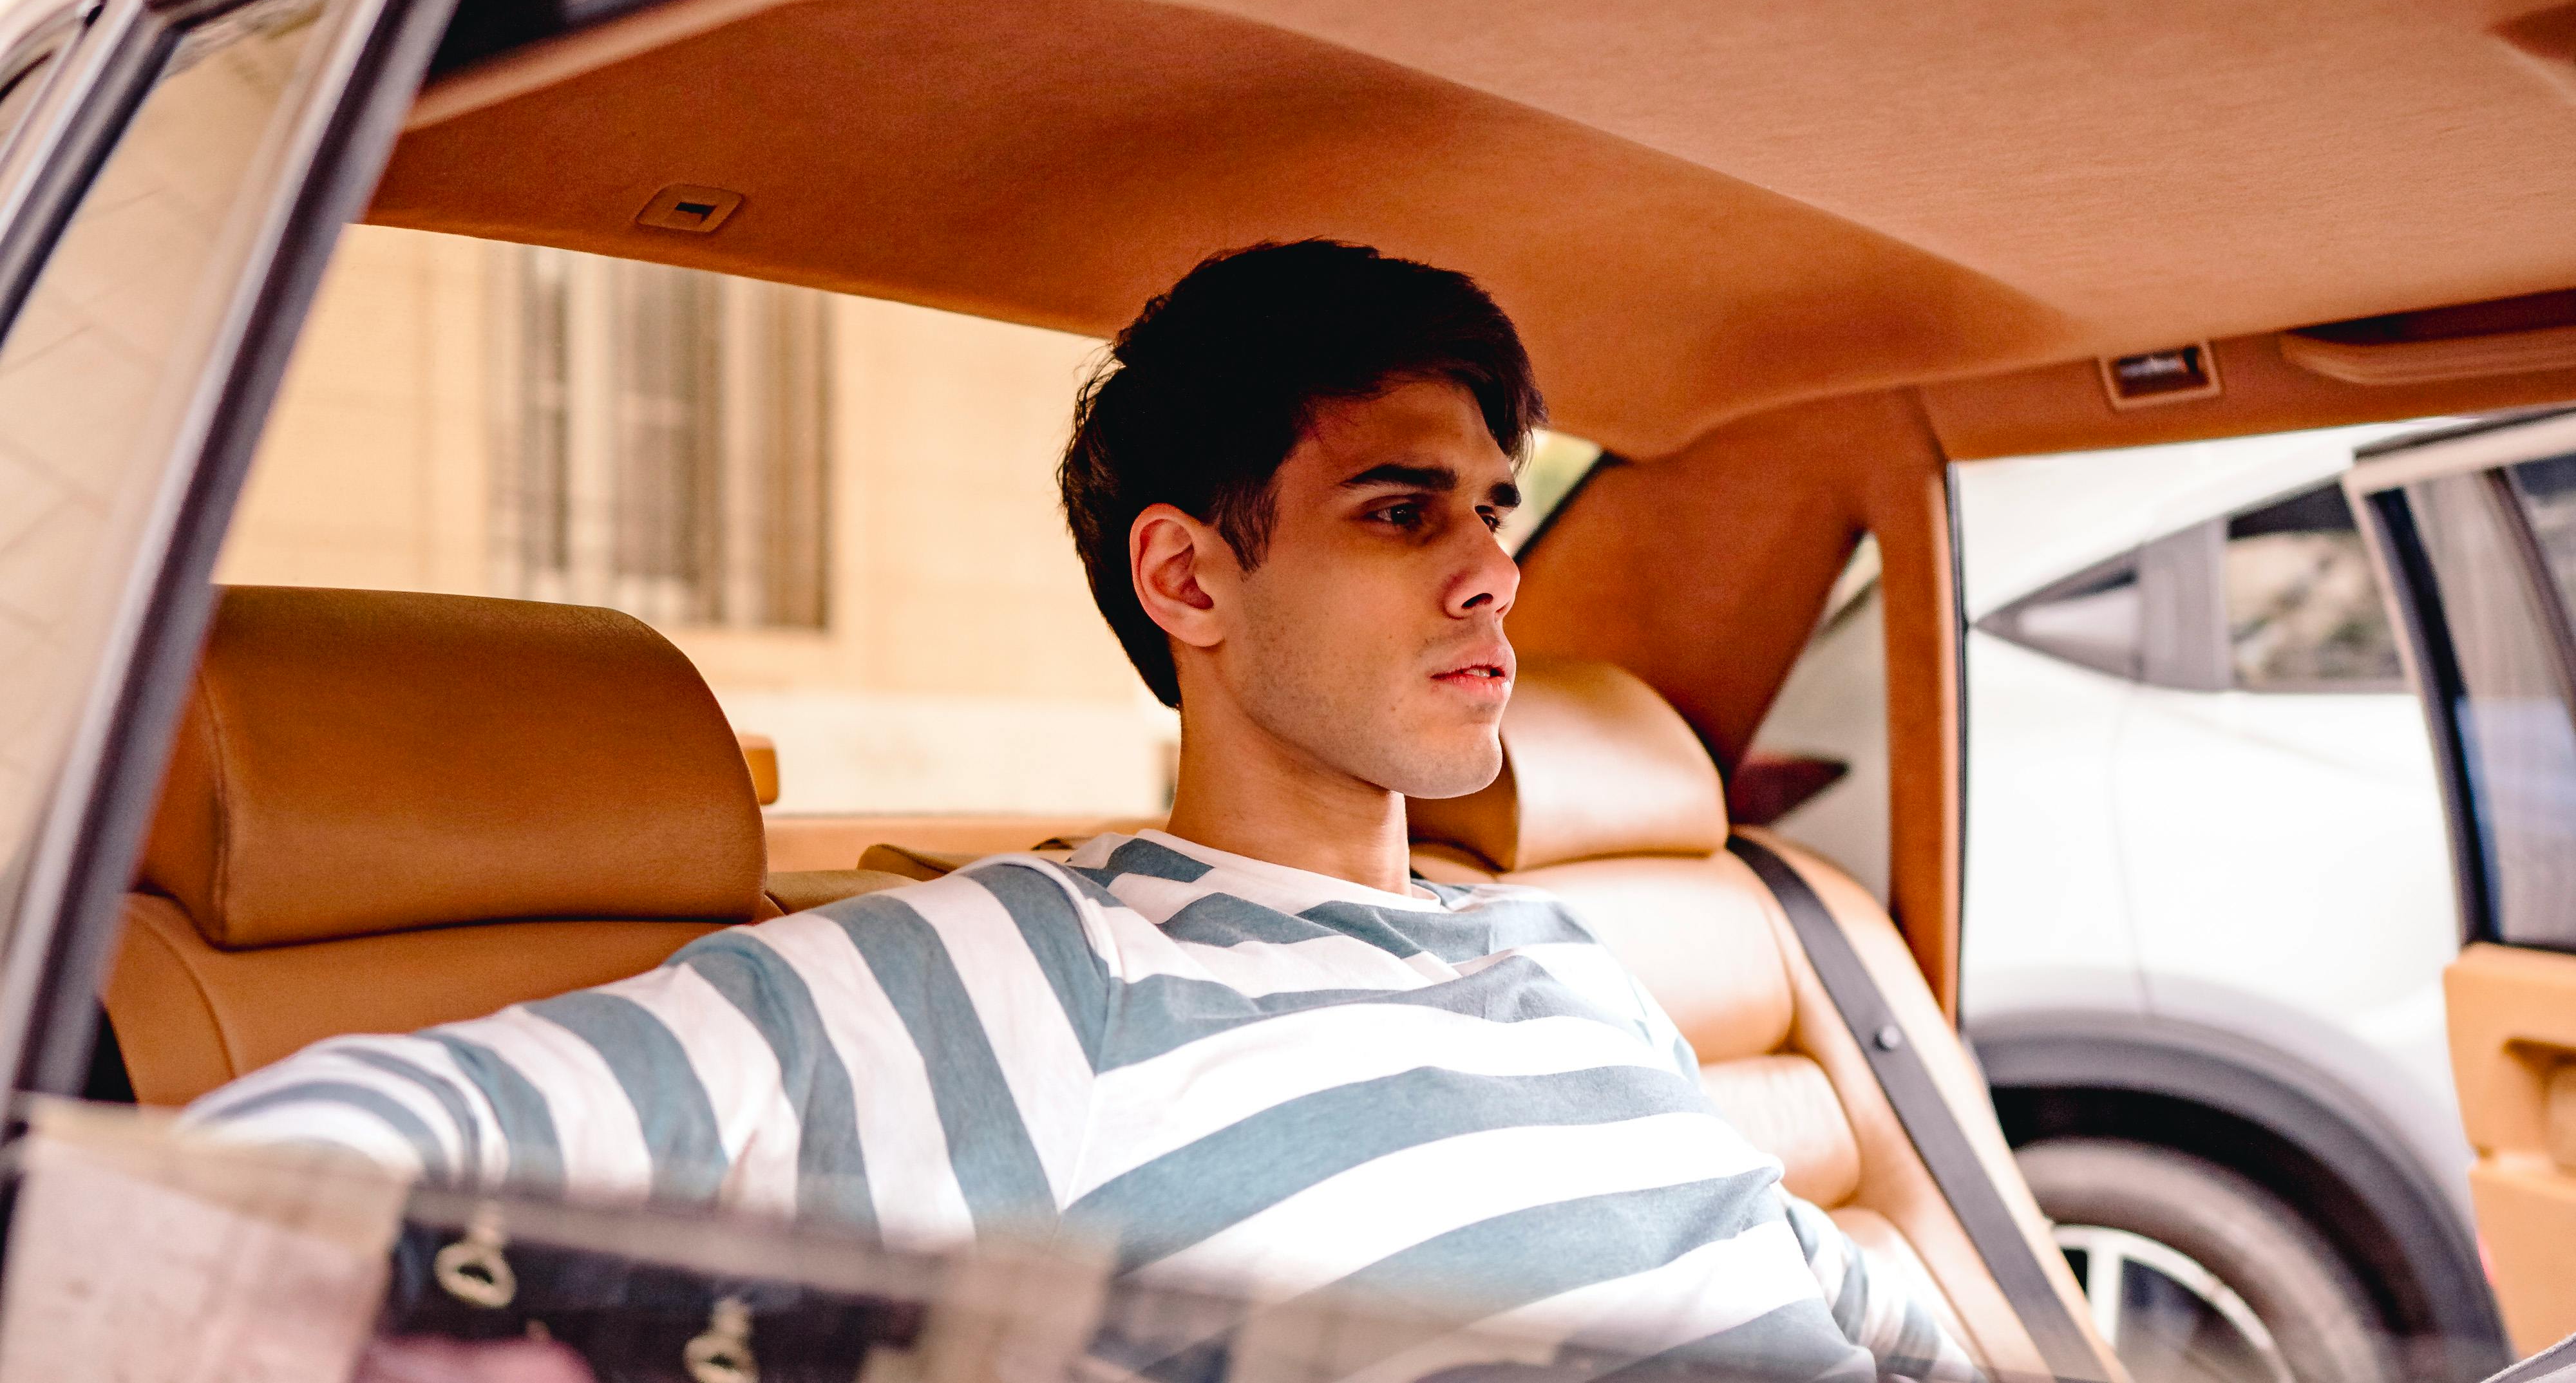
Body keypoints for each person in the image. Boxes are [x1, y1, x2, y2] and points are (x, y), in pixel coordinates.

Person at [189, 241, 1982, 1383]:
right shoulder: (1043, 976)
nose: (1491, 574)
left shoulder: (1561, 954)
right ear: (1190, 580)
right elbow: (325, 1159)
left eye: (1497, 510)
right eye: (1397, 510)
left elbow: (1822, 1284)